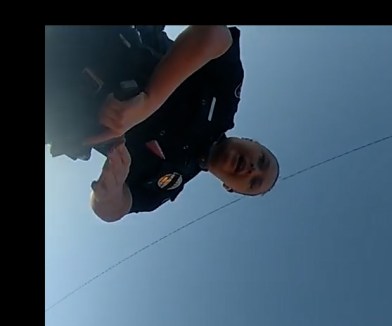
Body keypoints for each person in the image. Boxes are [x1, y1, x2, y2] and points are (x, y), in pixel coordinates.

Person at [45, 25, 280, 222]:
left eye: (254, 182)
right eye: (262, 160)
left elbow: (113, 210)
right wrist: (150, 100)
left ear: (231, 188)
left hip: (57, 112)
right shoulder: (225, 102)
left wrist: (110, 192)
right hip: (82, 38)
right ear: (252, 142)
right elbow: (215, 34)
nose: (252, 168)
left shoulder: (169, 183)